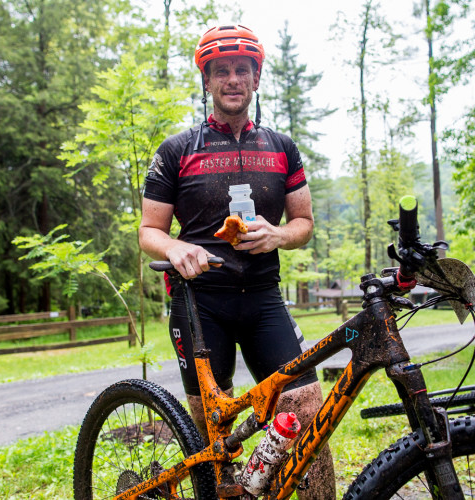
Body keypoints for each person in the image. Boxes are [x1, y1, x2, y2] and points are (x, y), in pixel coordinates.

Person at [139, 24, 335, 499]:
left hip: (265, 298)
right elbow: (148, 232)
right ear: (207, 81)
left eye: (242, 70)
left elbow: (304, 223)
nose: (232, 79)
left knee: (308, 405)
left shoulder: (283, 148)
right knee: (212, 423)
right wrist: (175, 247)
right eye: (221, 71)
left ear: (255, 79)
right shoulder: (177, 150)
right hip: (200, 302)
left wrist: (278, 235)